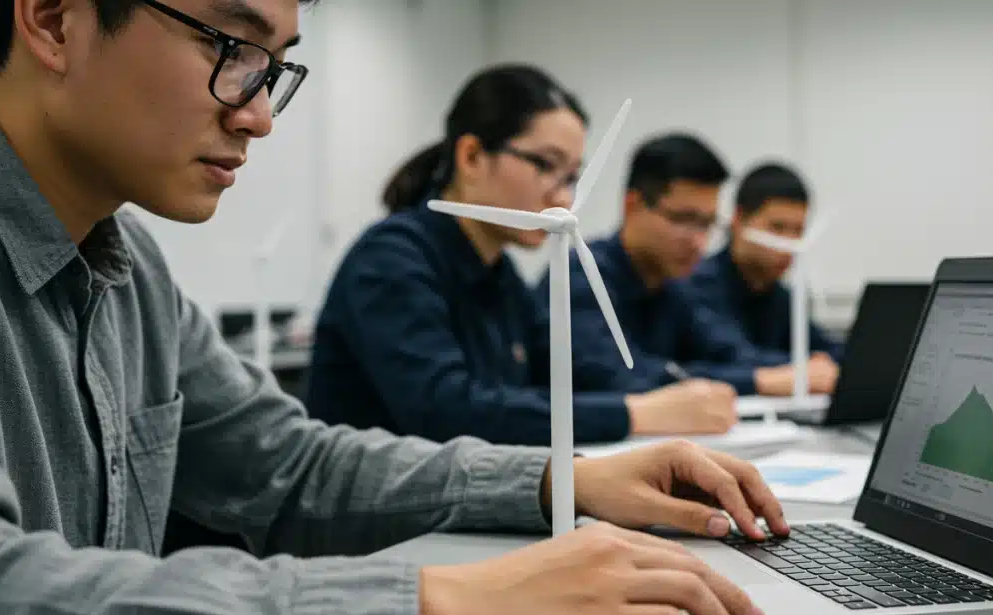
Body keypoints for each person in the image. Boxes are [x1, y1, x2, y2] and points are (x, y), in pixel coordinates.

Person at [0, 2, 789, 615]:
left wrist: (559, 481)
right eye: (230, 49)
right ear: (52, 19)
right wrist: (439, 605)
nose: (259, 114)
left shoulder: (131, 270)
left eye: (274, 69)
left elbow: (291, 469)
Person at [304, 64, 738, 446]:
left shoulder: (501, 274)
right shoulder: (391, 258)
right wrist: (636, 413)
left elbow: (575, 373)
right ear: (472, 156)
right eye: (546, 165)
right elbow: (445, 410)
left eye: (572, 176)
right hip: (380, 528)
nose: (563, 196)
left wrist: (676, 394)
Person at [546, 133, 838, 398]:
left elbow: (727, 353)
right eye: (684, 219)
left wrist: (807, 368)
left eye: (708, 223)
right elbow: (615, 375)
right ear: (633, 205)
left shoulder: (675, 288)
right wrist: (761, 381)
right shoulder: (580, 276)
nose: (699, 241)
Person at [690, 162, 844, 366]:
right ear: (738, 220)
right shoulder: (696, 287)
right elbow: (733, 356)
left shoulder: (780, 297)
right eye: (777, 228)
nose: (790, 245)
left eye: (798, 230)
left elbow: (825, 347)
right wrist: (808, 367)